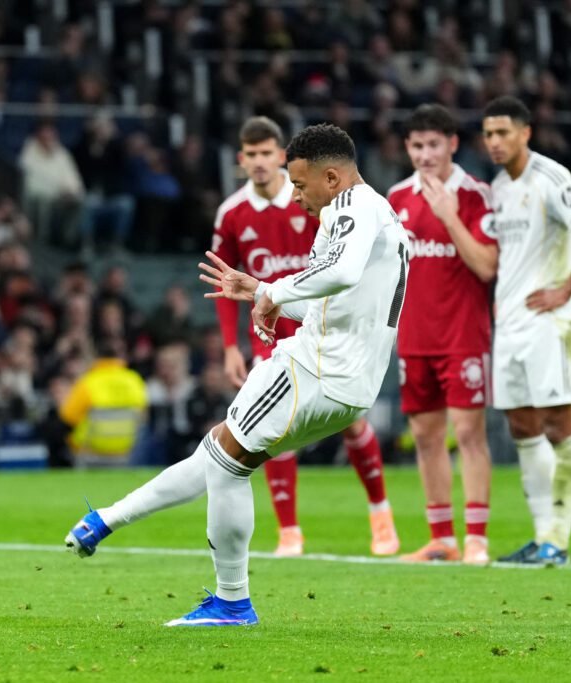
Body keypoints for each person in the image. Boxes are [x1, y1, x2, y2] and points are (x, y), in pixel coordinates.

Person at [65, 123, 409, 627]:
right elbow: (343, 306)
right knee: (221, 451)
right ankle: (106, 520)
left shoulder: (351, 206)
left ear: (332, 177)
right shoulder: (382, 214)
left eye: (300, 184)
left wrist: (274, 293)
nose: (296, 195)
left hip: (313, 368)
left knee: (225, 464)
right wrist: (263, 292)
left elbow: (341, 273)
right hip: (350, 384)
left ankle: (231, 602)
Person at [212, 115, 398, 557]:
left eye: (266, 153)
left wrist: (274, 291)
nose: (259, 162)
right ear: (241, 159)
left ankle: (380, 512)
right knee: (271, 428)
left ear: (280, 156)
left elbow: (339, 268)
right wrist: (230, 345)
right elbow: (225, 281)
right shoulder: (232, 213)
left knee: (351, 423)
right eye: (251, 154)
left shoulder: (319, 197)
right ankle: (289, 531)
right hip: (271, 326)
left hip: (321, 321)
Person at [481, 96, 571, 564]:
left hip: (549, 323)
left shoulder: (550, 177)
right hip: (511, 323)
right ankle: (541, 537)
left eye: (503, 132)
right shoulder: (499, 187)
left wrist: (566, 289)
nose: (494, 142)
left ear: (525, 133)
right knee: (521, 424)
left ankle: (558, 537)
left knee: (557, 421)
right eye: (488, 134)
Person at [387, 104, 496, 565]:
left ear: (452, 144)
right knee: (425, 436)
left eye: (434, 144)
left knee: (468, 432)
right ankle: (442, 540)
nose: (425, 154)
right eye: (417, 146)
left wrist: (449, 217)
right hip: (415, 336)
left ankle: (477, 539)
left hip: (463, 336)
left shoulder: (475, 196)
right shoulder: (395, 198)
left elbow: (487, 266)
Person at [58, 338, 148, 467]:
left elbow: (68, 417)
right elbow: (143, 416)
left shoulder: (88, 382)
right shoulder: (134, 381)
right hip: (124, 450)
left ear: (97, 358)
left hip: (89, 450)